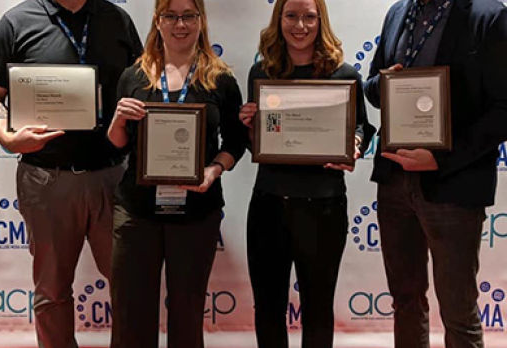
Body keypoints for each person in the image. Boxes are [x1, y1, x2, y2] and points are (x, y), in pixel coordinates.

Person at [0, 0, 142, 347]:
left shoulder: (117, 19)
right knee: (52, 290)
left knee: (129, 285)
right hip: (46, 179)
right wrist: (6, 136)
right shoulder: (16, 22)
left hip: (114, 177)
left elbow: (141, 86)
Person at [364, 0, 507, 347]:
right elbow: (372, 87)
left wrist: (443, 159)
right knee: (405, 301)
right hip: (394, 178)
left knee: (458, 310)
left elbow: (503, 108)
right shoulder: (398, 12)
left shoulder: (489, 15)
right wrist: (383, 84)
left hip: (454, 183)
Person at [106, 0, 248, 347]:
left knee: (187, 315)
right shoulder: (135, 75)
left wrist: (214, 170)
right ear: (158, 20)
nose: (179, 24)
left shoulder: (221, 78)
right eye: (170, 15)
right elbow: (118, 144)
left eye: (188, 15)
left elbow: (236, 141)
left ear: (201, 20)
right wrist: (117, 120)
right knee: (130, 315)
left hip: (197, 211)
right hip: (137, 212)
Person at [239, 0, 376, 347]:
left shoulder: (343, 75)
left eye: (309, 17)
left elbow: (362, 125)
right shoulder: (262, 72)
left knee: (318, 307)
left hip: (323, 206)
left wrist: (356, 144)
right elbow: (254, 140)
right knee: (268, 307)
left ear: (320, 21)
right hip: (269, 203)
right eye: (291, 16)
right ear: (279, 19)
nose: (300, 25)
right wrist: (249, 125)